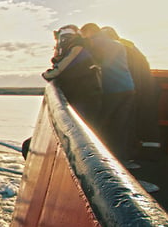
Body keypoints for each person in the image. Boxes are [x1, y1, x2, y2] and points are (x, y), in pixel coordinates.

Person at [101, 26, 160, 160]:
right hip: (146, 88)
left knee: (125, 122)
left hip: (135, 89)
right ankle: (148, 156)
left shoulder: (118, 47)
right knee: (144, 120)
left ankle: (126, 157)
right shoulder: (129, 45)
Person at [80, 23, 136, 161]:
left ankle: (97, 158)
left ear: (90, 32)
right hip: (128, 87)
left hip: (113, 89)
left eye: (84, 34)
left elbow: (92, 60)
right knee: (121, 124)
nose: (84, 37)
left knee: (102, 123)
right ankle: (122, 158)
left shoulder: (95, 41)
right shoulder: (118, 44)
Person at [42, 24, 102, 127]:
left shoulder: (76, 49)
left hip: (84, 94)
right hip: (82, 92)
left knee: (84, 124)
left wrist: (46, 74)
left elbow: (58, 70)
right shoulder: (78, 47)